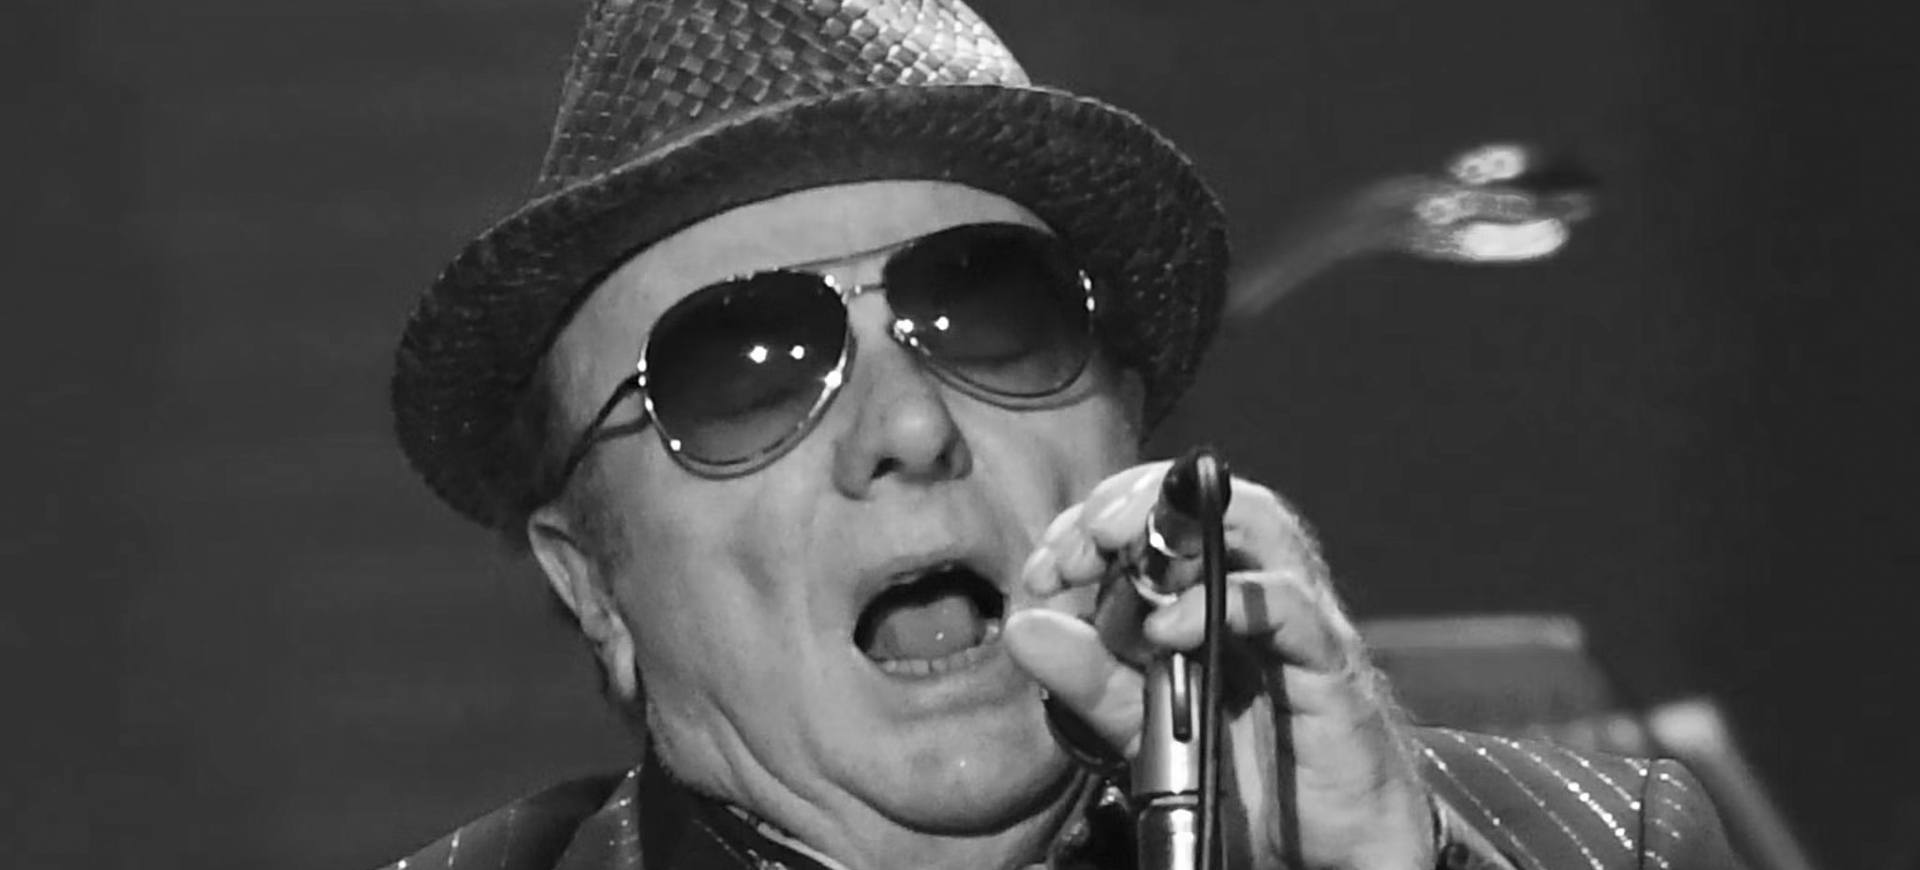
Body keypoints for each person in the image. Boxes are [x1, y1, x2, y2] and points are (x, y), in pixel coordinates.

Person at [384, 1, 1740, 868]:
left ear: (1130, 425)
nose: (909, 424)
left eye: (991, 310)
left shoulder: (1606, 849)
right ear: (592, 581)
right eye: (742, 369)